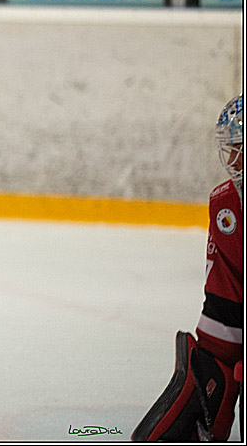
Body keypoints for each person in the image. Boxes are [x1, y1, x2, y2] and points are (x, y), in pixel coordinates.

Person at [133, 94, 242, 441]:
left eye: (241, 149)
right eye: (231, 149)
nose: (233, 160)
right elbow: (226, 306)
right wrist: (215, 366)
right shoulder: (227, 206)